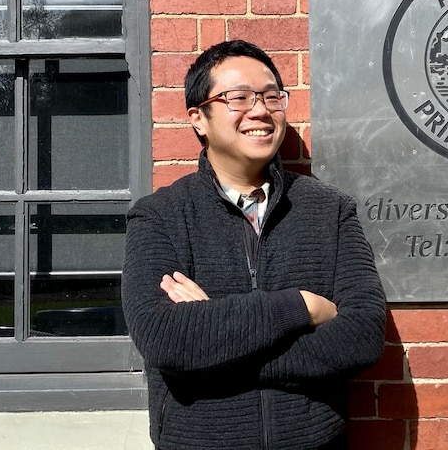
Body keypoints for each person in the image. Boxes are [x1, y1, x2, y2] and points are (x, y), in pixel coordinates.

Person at [122, 40, 387, 450]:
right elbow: (164, 338)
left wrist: (212, 347)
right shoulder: (160, 216)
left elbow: (363, 335)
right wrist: (301, 306)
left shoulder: (330, 211)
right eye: (238, 98)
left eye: (270, 96)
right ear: (199, 119)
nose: (260, 110)